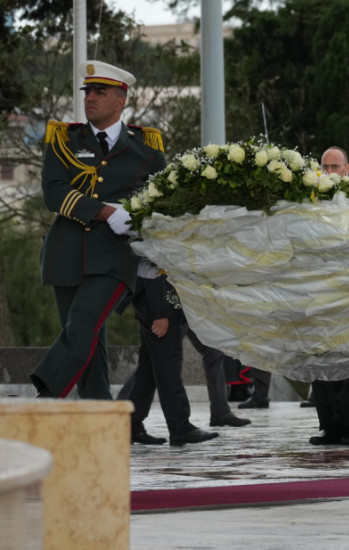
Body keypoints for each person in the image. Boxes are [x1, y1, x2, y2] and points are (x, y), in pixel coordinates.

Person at [31, 60, 167, 399]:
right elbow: (53, 192)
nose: (89, 98)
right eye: (87, 92)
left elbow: (159, 199)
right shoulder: (64, 140)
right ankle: (101, 417)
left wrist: (137, 216)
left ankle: (46, 396)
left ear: (120, 100)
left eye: (99, 92)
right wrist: (105, 211)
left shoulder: (147, 149)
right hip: (66, 253)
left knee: (81, 325)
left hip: (114, 256)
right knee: (88, 339)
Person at [308, 146, 349, 446]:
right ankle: (328, 422)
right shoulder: (309, 202)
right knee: (321, 356)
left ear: (347, 169)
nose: (330, 172)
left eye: (335, 166)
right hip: (320, 289)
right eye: (325, 167)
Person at [121, 271, 220, 446]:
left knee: (149, 369)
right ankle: (180, 428)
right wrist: (160, 313)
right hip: (160, 306)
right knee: (168, 367)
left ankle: (131, 424)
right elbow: (152, 267)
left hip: (153, 304)